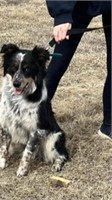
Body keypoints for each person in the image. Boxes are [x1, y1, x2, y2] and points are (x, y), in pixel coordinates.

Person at [45, 1, 111, 139]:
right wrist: (62, 14)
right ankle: (23, 123)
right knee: (57, 66)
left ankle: (109, 127)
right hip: (78, 4)